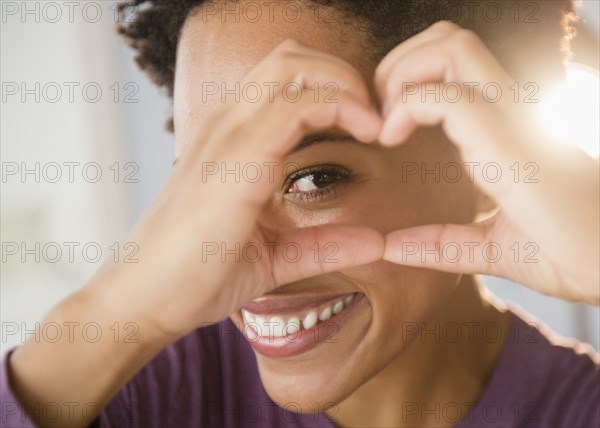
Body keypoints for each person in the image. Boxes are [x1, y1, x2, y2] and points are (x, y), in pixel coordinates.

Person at [2, 1, 599, 427]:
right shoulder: (139, 397)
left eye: (314, 179)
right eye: (205, 187)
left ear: (482, 165)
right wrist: (119, 305)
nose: (230, 250)